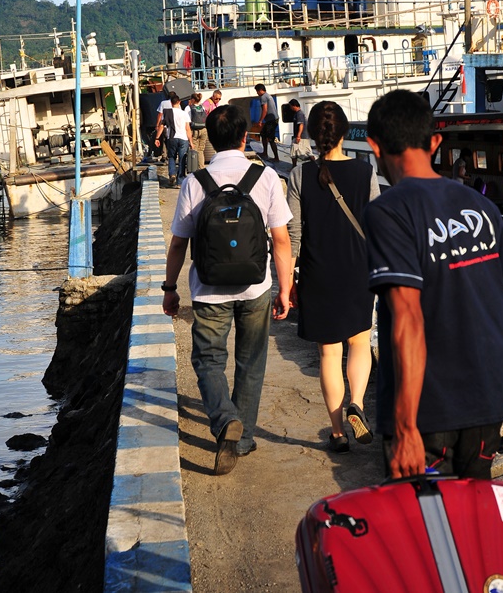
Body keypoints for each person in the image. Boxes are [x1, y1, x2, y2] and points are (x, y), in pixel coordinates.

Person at [363, 89, 503, 479]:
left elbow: (407, 318)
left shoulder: (388, 211)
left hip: (429, 410)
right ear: (435, 143)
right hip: (489, 401)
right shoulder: (481, 207)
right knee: (473, 510)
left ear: (374, 146)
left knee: (425, 516)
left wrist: (405, 425)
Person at [162, 104, 292, 475]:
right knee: (251, 361)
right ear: (244, 136)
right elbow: (281, 240)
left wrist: (170, 288)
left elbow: (179, 243)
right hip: (256, 287)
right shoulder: (265, 177)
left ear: (211, 139)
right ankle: (243, 438)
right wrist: (285, 289)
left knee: (208, 360)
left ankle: (224, 420)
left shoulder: (195, 182)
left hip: (209, 289)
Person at [284, 101, 380, 453]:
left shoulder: (299, 176)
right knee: (359, 343)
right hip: (358, 272)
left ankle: (338, 433)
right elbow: (376, 226)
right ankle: (357, 402)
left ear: (311, 133)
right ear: (343, 133)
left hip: (318, 274)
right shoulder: (365, 172)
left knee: (329, 354)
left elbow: (293, 237)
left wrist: (287, 283)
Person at [155, 93, 193, 186]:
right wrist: (191, 142)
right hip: (183, 139)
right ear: (179, 102)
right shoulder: (184, 113)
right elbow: (187, 128)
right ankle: (180, 182)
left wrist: (157, 138)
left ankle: (172, 174)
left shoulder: (167, 113)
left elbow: (161, 126)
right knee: (182, 159)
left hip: (171, 138)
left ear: (171, 103)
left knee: (171, 157)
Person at [255, 84, 279, 162]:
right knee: (263, 134)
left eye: (257, 91)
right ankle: (265, 152)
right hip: (273, 119)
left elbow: (264, 110)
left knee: (271, 139)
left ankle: (276, 157)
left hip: (271, 120)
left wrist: (260, 120)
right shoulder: (268, 96)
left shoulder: (263, 97)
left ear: (260, 90)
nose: (257, 93)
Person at [288, 99, 315, 168]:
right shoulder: (297, 114)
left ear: (294, 106)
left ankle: (315, 164)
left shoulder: (299, 114)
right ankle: (294, 166)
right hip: (301, 136)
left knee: (306, 152)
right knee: (295, 151)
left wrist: (298, 136)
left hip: (302, 136)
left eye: (290, 106)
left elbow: (301, 124)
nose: (290, 108)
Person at [184, 92, 208, 169]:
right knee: (201, 150)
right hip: (204, 129)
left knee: (194, 149)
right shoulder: (202, 107)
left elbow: (186, 121)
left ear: (193, 100)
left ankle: (193, 168)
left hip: (194, 130)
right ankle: (201, 167)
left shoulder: (188, 108)